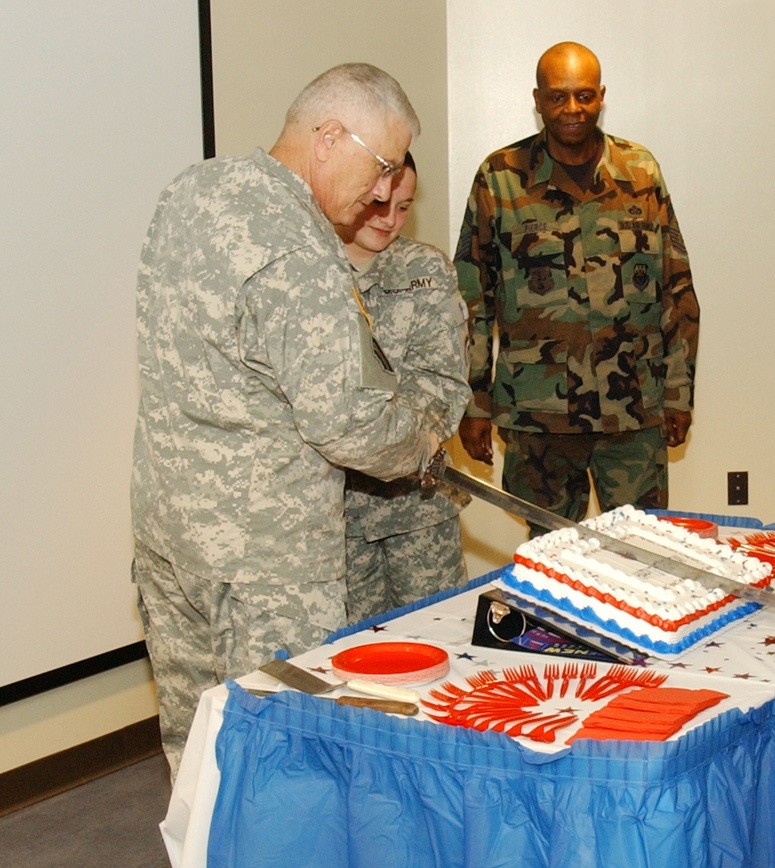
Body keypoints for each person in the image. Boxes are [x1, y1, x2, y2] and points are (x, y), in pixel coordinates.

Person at [131, 64, 457, 780]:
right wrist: (424, 443)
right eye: (381, 167)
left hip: (171, 538)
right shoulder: (299, 244)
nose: (383, 191)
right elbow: (350, 419)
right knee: (284, 767)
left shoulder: (192, 191)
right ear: (327, 135)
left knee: (198, 762)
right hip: (262, 564)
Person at [454, 41, 699, 529]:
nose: (572, 109)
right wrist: (474, 404)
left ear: (601, 95)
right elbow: (471, 300)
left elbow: (676, 288)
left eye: (584, 96)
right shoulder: (500, 178)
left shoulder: (640, 171)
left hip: (632, 411)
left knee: (644, 555)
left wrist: (678, 393)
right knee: (549, 563)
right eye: (558, 96)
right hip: (538, 415)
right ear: (538, 98)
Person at [335, 154, 471, 624]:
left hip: (420, 510)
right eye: (378, 205)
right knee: (350, 660)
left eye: (404, 207)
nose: (390, 220)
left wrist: (385, 444)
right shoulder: (311, 274)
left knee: (440, 642)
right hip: (336, 521)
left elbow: (444, 384)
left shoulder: (426, 269)